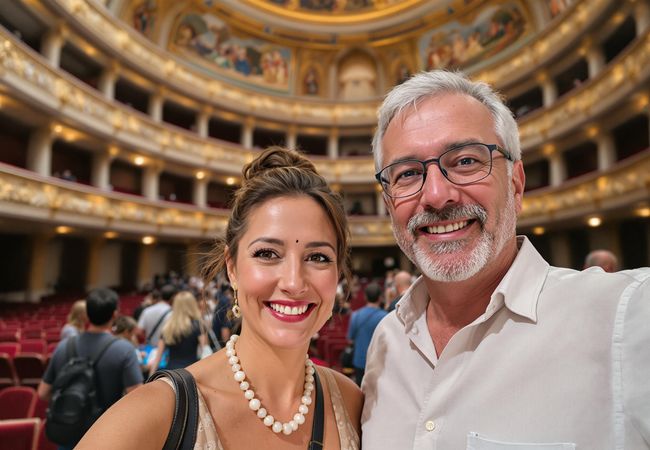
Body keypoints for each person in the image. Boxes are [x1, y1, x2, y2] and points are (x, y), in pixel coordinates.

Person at [362, 70, 650, 449]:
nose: (435, 195)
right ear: (388, 203)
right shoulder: (386, 341)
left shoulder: (627, 316)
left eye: (465, 161)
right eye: (408, 173)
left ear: (516, 184)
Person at [77, 147, 362, 449]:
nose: (293, 282)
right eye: (267, 254)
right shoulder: (153, 414)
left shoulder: (352, 402)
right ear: (232, 268)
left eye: (318, 257)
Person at [38, 288, 143, 448]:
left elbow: (43, 393)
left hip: (69, 433)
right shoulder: (125, 350)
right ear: (115, 315)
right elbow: (136, 398)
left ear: (87, 315)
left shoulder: (63, 346)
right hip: (106, 437)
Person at [149, 290, 208, 373]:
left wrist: (150, 377)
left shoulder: (168, 327)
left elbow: (157, 358)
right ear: (192, 305)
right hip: (191, 371)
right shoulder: (198, 325)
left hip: (171, 372)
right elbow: (206, 352)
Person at [346, 282, 386, 386]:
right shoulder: (386, 317)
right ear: (380, 297)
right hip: (379, 362)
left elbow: (350, 339)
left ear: (365, 297)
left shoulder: (355, 315)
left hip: (359, 360)